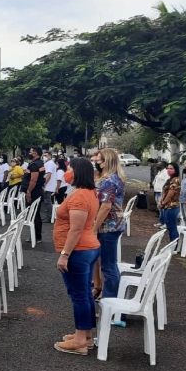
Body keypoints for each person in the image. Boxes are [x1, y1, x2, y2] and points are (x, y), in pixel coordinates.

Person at [52, 157, 101, 355]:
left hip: (79, 251)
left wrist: (64, 254)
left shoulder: (81, 196)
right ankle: (85, 335)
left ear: (78, 171)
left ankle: (80, 340)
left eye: (70, 168)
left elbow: (76, 229)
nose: (66, 172)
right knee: (84, 293)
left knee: (79, 295)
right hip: (87, 248)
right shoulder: (88, 192)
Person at [91, 148, 126, 299]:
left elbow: (105, 206)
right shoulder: (115, 178)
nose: (96, 163)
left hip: (108, 227)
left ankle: (111, 304)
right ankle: (110, 299)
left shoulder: (109, 180)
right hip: (113, 225)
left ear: (106, 163)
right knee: (109, 264)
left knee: (108, 266)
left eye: (98, 161)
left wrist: (94, 228)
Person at [23, 147, 46, 243]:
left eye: (31, 152)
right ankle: (35, 236)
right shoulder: (40, 163)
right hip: (37, 191)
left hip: (34, 192)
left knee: (33, 214)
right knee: (35, 214)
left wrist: (28, 192)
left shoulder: (35, 165)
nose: (29, 153)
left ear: (35, 153)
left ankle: (36, 236)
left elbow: (33, 179)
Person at [159, 162, 182, 244]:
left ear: (175, 170)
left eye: (171, 168)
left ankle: (174, 245)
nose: (169, 170)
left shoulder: (175, 180)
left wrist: (163, 202)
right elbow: (165, 192)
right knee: (169, 227)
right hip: (167, 206)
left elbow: (170, 193)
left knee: (172, 227)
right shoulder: (170, 179)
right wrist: (161, 200)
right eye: (168, 168)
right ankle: (172, 244)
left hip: (172, 206)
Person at [152, 161, 169, 226]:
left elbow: (167, 183)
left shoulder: (165, 173)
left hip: (161, 192)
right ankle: (161, 222)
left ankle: (165, 223)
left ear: (163, 166)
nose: (157, 166)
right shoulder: (159, 172)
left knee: (163, 208)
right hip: (157, 192)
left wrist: (165, 192)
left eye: (159, 165)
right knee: (159, 208)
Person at [42, 151, 58, 221]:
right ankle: (49, 215)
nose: (44, 157)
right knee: (48, 201)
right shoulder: (49, 163)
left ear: (50, 156)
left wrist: (44, 184)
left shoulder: (50, 164)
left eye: (46, 155)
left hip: (48, 185)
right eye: (44, 155)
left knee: (48, 202)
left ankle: (49, 216)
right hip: (49, 185)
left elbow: (48, 175)